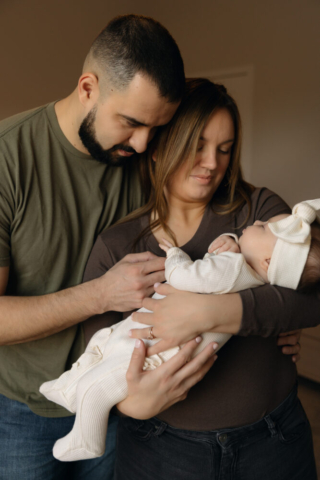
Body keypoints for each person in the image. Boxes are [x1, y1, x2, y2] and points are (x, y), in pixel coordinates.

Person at [79, 79, 318, 479]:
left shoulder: (257, 210)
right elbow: (95, 353)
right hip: (159, 451)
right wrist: (127, 405)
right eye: (198, 146)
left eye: (225, 150)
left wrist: (211, 311)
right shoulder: (117, 244)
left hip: (273, 442)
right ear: (157, 148)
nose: (212, 163)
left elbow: (312, 294)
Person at [0, 14, 188, 480]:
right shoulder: (8, 158)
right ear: (88, 87)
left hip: (120, 404)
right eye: (131, 122)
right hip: (21, 412)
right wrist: (101, 294)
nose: (143, 143)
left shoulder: (145, 158)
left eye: (156, 127)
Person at [39, 200, 320, 462]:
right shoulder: (255, 278)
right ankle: (69, 387)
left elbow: (185, 276)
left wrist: (175, 255)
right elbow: (242, 269)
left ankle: (87, 436)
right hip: (161, 346)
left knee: (102, 383)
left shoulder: (231, 267)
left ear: (269, 262)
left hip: (158, 353)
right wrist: (234, 242)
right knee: (102, 349)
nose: (257, 221)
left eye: (261, 228)